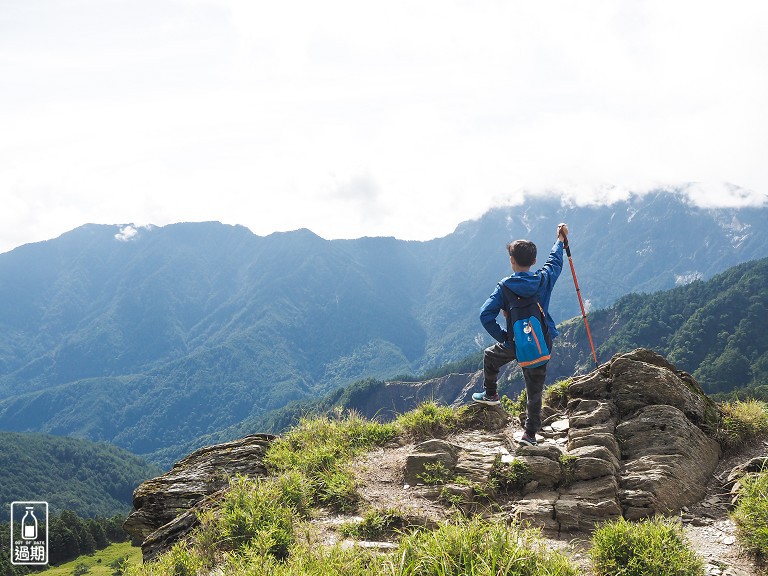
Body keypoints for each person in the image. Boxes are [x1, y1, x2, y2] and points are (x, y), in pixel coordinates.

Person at [472, 223, 569, 446]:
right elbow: (554, 262)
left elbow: (485, 315)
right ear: (534, 261)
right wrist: (560, 241)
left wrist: (506, 337)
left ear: (511, 261)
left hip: (515, 342)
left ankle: (491, 395)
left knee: (490, 356)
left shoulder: (505, 287)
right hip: (540, 342)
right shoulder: (543, 279)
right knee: (534, 390)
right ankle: (529, 436)